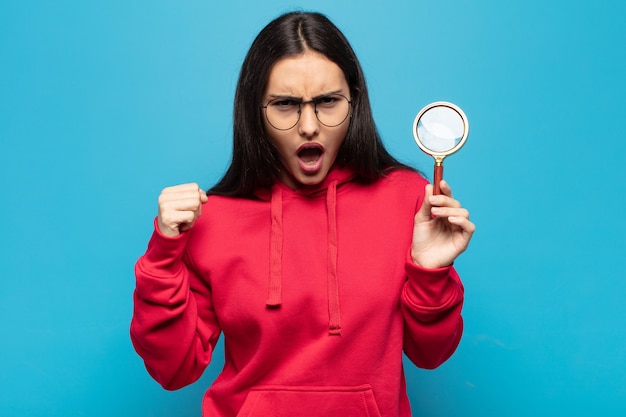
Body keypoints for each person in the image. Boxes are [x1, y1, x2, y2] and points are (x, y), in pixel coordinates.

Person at [130, 11, 475, 417]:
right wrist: (162, 258)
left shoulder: (406, 200)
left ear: (355, 101)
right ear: (255, 110)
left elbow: (431, 354)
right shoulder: (214, 219)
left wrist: (430, 273)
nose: (309, 125)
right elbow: (174, 369)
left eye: (327, 102)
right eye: (285, 105)